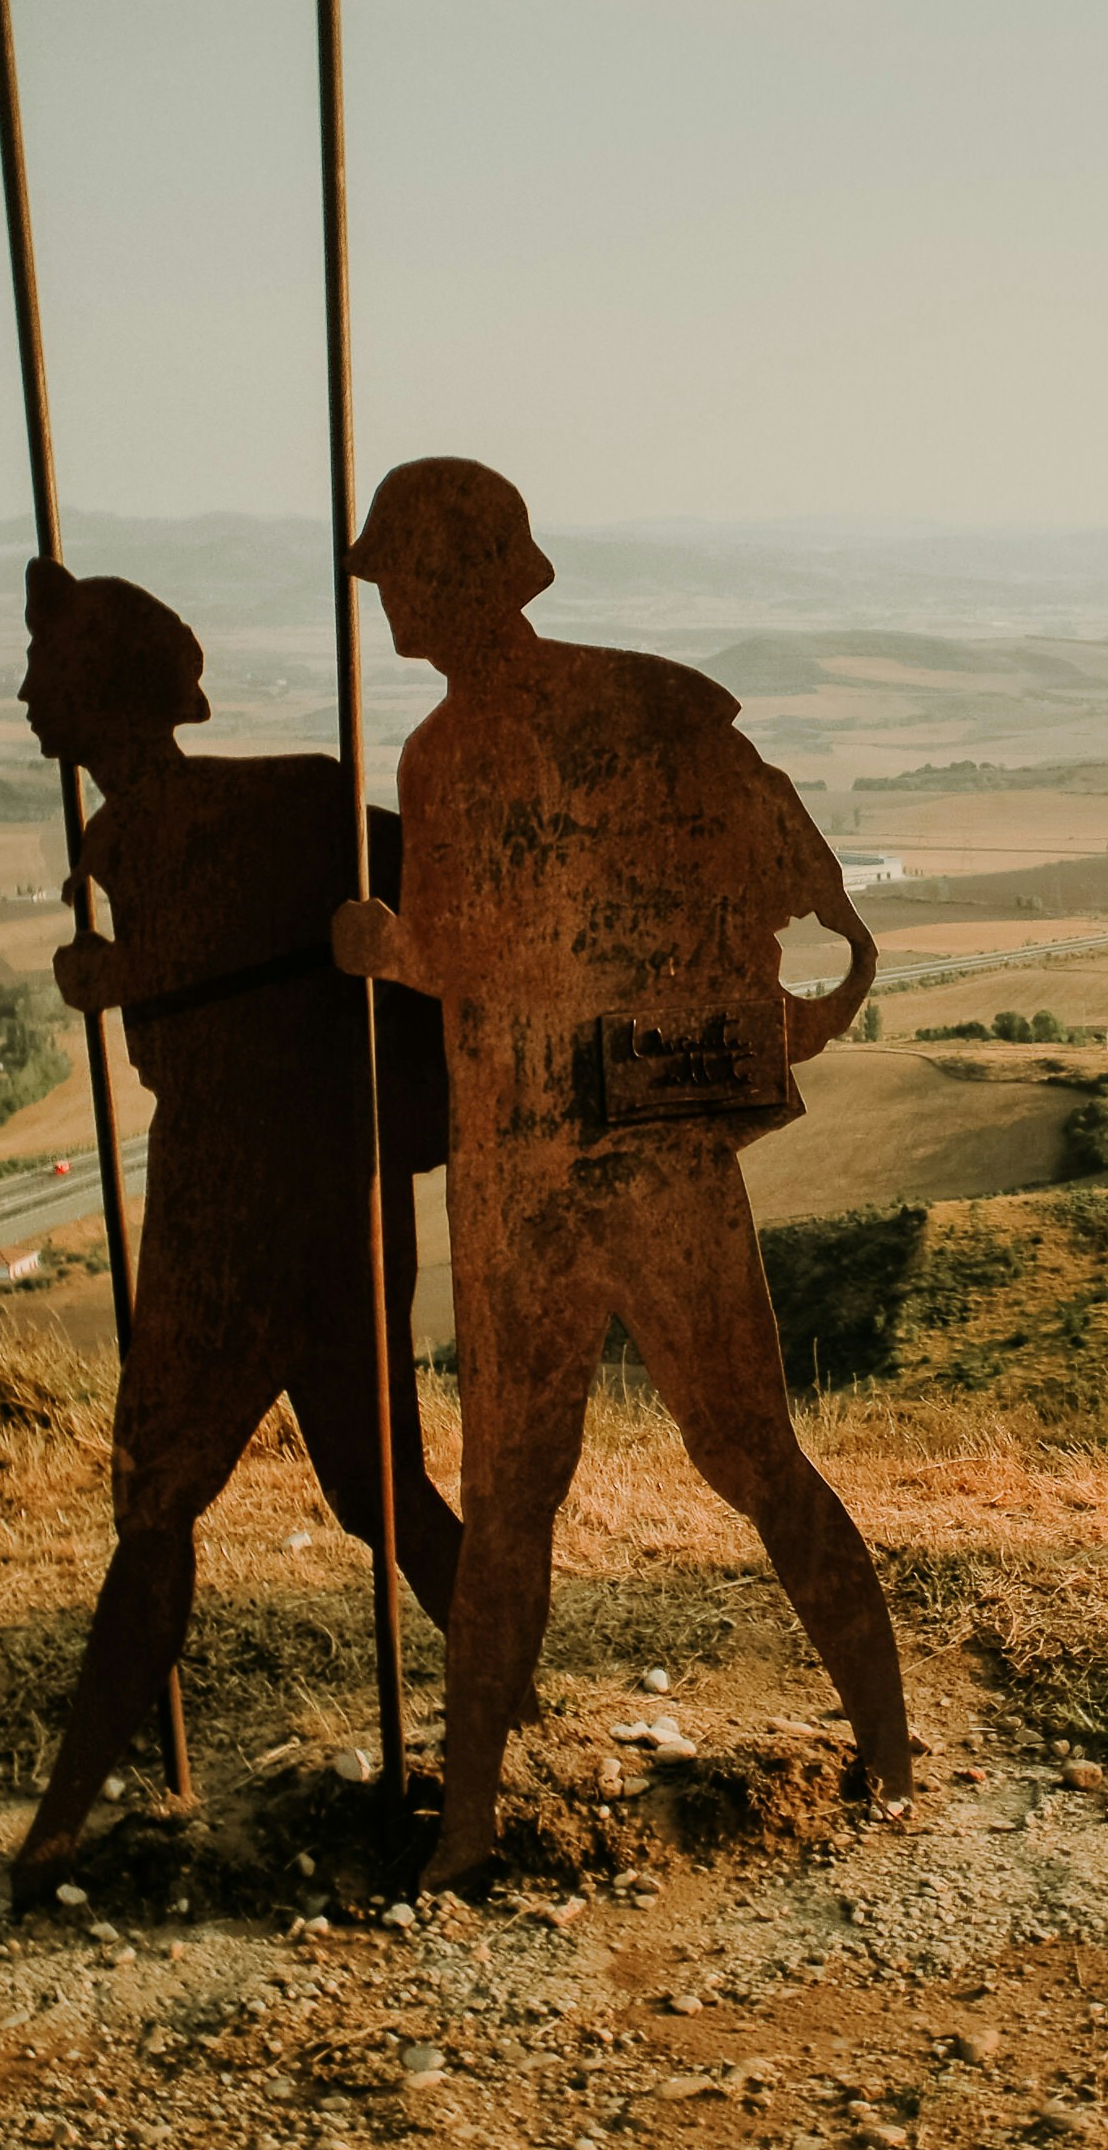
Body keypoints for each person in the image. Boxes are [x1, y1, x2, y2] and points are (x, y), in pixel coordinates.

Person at [327, 457, 904, 1888]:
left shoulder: (444, 755)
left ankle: (469, 1826)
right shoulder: (652, 702)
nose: (386, 601)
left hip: (533, 1168)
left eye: (401, 574)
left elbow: (481, 952)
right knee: (743, 1457)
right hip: (647, 1152)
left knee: (523, 1496)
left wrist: (384, 948)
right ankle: (885, 1752)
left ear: (460, 577)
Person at [9, 558, 461, 1904]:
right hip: (312, 1181)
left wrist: (128, 974)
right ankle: (511, 1719)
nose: (24, 689)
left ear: (99, 689)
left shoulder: (269, 805)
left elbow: (339, 936)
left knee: (184, 1503)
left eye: (45, 666)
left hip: (238, 1195)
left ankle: (58, 1831)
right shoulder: (159, 835)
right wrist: (126, 978)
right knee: (374, 1493)